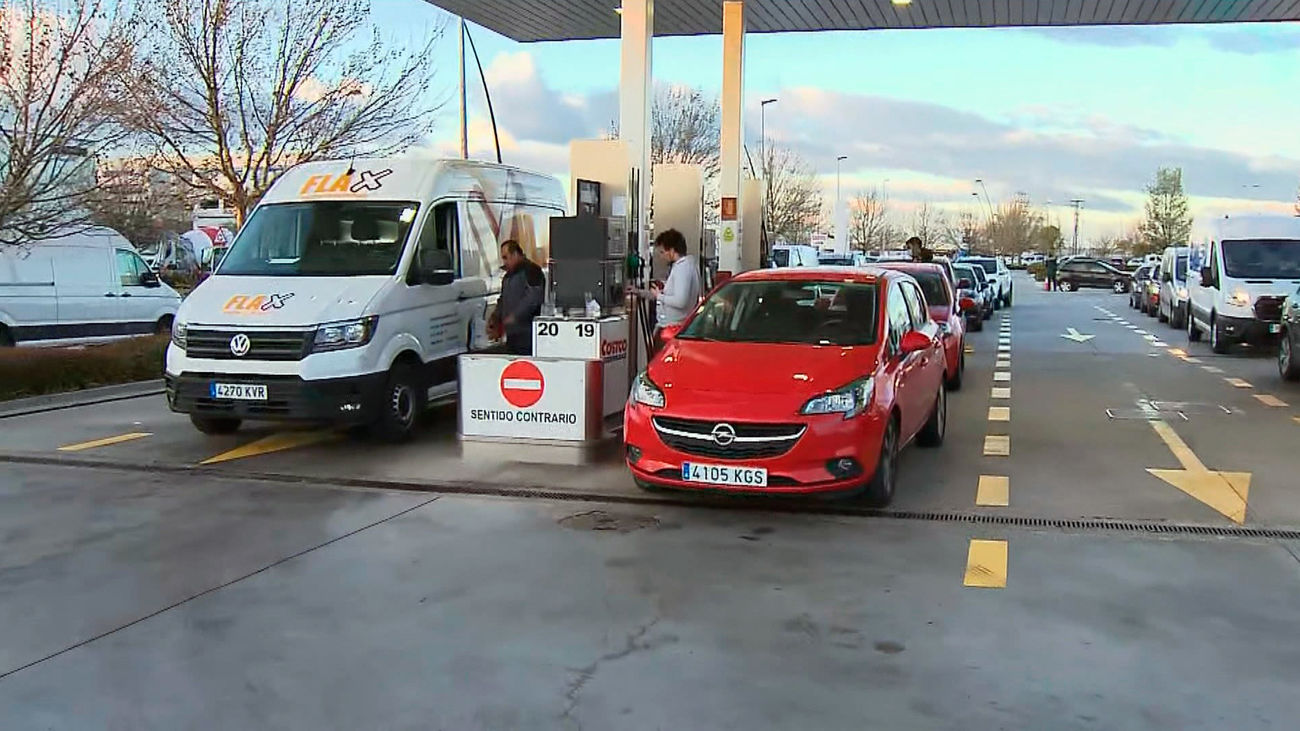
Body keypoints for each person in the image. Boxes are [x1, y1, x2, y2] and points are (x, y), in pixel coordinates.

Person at [631, 229, 701, 348]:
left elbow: (680, 301)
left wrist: (659, 296)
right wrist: (640, 292)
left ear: (672, 251)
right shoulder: (689, 266)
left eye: (663, 252)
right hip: (677, 327)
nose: (661, 256)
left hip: (671, 329)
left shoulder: (682, 269)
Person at [491, 239, 545, 355]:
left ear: (515, 254)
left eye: (506, 257)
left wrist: (515, 316)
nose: (504, 262)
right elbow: (503, 299)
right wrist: (495, 317)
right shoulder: (508, 276)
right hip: (512, 334)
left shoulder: (532, 270)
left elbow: (533, 297)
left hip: (527, 333)